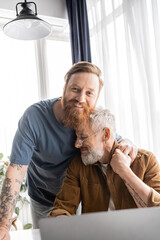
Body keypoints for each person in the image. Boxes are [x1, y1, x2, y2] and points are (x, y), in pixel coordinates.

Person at [0, 62, 137, 239]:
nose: (81, 98)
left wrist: (128, 141)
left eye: (89, 93)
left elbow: (109, 139)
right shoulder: (33, 117)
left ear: (96, 98)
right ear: (64, 88)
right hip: (42, 198)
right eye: (75, 89)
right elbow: (16, 172)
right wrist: (3, 224)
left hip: (78, 197)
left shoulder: (90, 117)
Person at [49, 108, 160, 217]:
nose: (77, 144)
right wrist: (60, 221)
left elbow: (157, 209)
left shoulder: (146, 160)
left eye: (83, 137)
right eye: (76, 137)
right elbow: (63, 207)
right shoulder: (78, 165)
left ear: (106, 135)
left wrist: (125, 171)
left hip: (137, 234)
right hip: (96, 234)